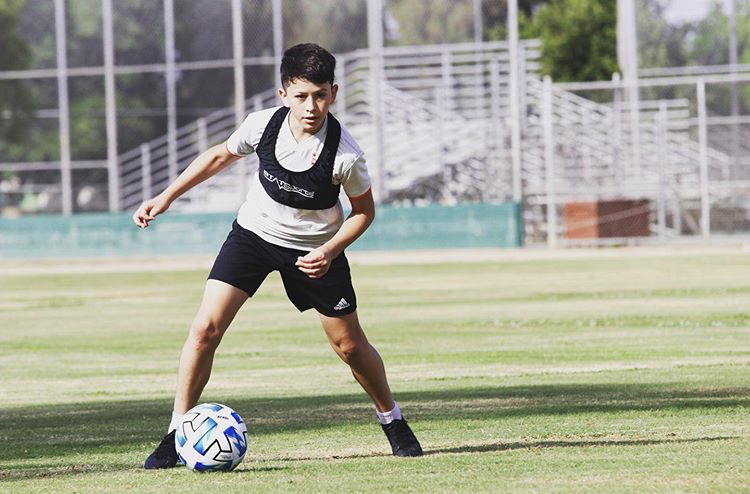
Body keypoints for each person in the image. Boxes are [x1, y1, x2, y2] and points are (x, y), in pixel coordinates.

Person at [134, 43, 422, 469]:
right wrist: (166, 197)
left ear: (334, 93)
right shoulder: (262, 125)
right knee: (204, 329)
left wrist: (328, 250)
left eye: (321, 95)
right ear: (284, 93)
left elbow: (364, 213)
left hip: (315, 250)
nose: (312, 106)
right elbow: (218, 156)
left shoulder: (345, 154)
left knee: (348, 345)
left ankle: (392, 419)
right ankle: (177, 433)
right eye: (302, 95)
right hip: (253, 235)